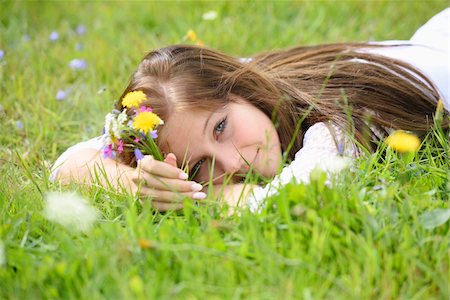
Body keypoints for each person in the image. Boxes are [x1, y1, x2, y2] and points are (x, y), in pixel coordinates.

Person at [51, 8, 449, 212]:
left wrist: (198, 196)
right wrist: (134, 181)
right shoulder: (246, 92)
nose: (232, 163)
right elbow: (68, 163)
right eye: (196, 167)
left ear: (240, 87)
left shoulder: (337, 119)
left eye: (221, 128)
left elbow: (286, 202)